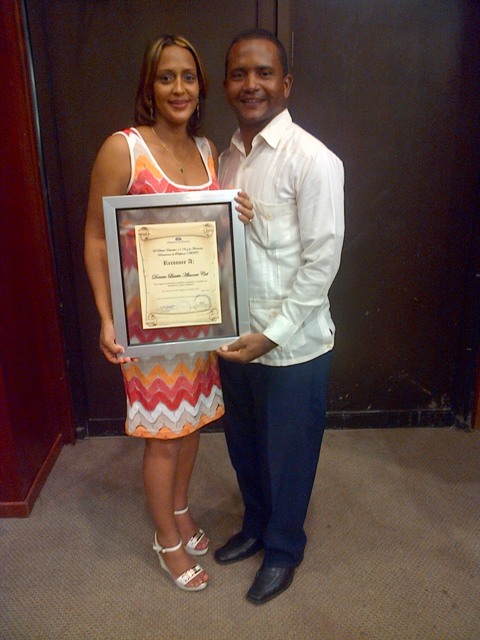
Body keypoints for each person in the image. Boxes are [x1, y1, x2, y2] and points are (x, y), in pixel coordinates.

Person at [84, 34, 253, 593]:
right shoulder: (124, 149)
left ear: (200, 86)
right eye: (166, 77)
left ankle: (179, 511)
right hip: (147, 326)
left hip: (199, 321)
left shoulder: (207, 150)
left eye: (188, 76)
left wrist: (238, 212)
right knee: (164, 437)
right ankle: (167, 542)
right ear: (149, 86)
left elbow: (211, 231)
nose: (178, 88)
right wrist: (107, 317)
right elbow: (96, 237)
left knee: (193, 422)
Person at [214, 29, 345, 604]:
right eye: (239, 73)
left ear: (285, 83)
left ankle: (285, 548)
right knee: (244, 446)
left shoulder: (313, 160)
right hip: (235, 337)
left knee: (288, 456)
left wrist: (273, 335)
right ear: (226, 85)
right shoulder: (224, 158)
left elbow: (322, 263)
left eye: (264, 73)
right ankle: (254, 527)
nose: (252, 84)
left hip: (292, 344)